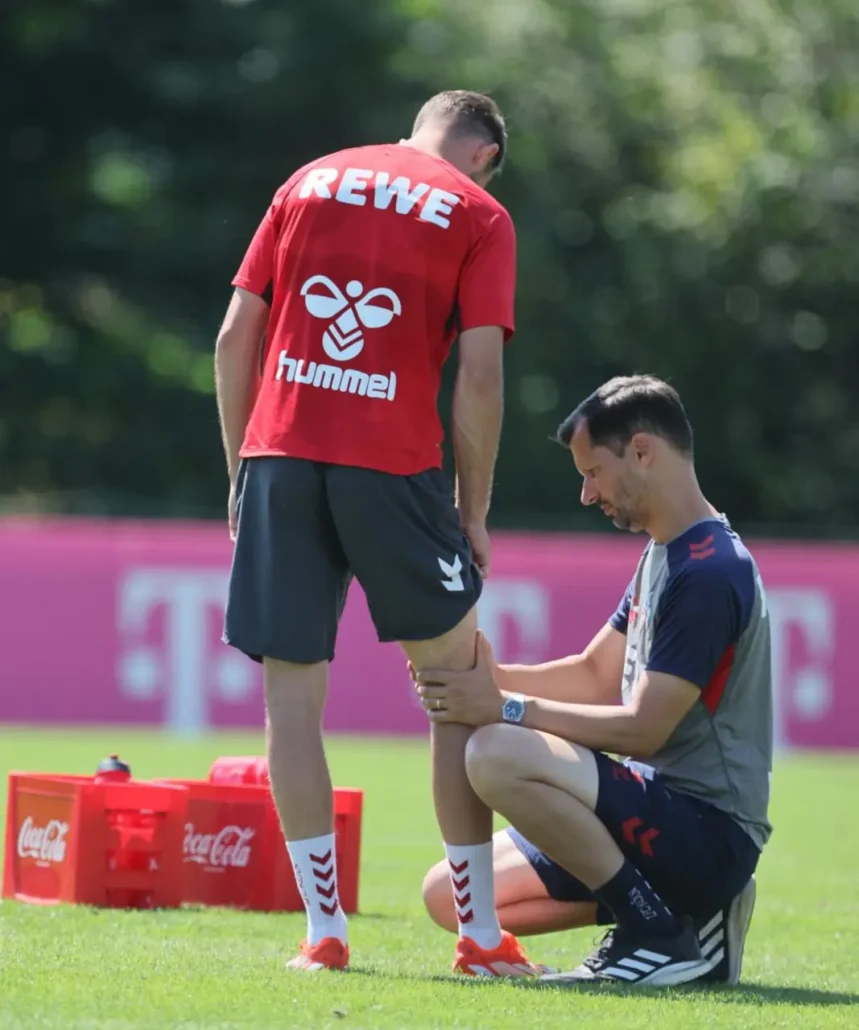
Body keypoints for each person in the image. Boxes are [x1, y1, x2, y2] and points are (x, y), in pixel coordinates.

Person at [214, 90, 543, 977]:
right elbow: (479, 378)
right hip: (391, 467)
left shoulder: (311, 179)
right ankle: (478, 939)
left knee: (290, 707)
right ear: (483, 153)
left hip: (280, 456)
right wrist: (472, 509)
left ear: (419, 127)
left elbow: (234, 335)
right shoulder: (479, 212)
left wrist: (245, 469)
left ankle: (324, 932)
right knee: (455, 689)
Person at [414, 375, 773, 986]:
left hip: (707, 833)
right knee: (450, 894)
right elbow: (592, 674)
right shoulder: (667, 552)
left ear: (641, 451)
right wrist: (474, 677)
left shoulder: (711, 573)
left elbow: (641, 727)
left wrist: (502, 705)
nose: (587, 494)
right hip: (658, 820)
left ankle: (657, 933)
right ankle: (685, 915)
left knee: (496, 750)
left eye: (593, 472)